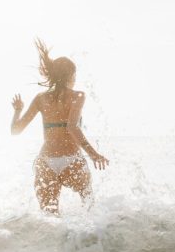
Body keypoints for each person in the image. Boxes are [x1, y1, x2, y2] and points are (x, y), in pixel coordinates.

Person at [10, 40, 109, 213]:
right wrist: (94, 155)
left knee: (50, 218)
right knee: (90, 210)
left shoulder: (41, 98)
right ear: (71, 75)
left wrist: (18, 111)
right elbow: (72, 127)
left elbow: (15, 130)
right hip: (72, 160)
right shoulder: (77, 96)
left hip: (46, 161)